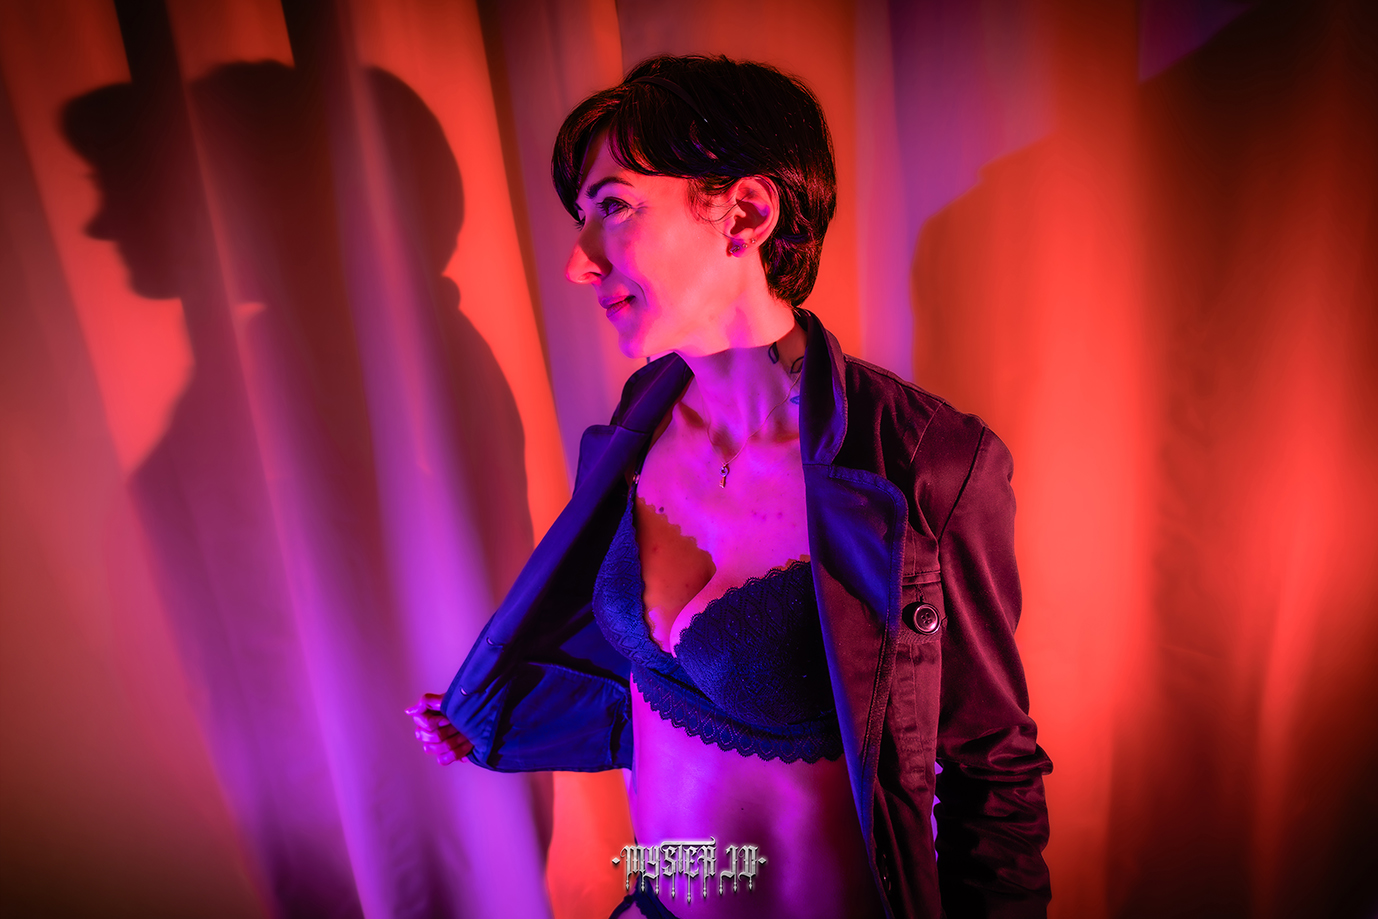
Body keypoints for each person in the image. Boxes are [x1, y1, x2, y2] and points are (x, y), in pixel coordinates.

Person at [408, 54, 1052, 919]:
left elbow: (992, 771)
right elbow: (650, 696)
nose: (578, 263)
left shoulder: (921, 464)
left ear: (745, 212)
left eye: (612, 207)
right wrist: (502, 710)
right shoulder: (644, 415)